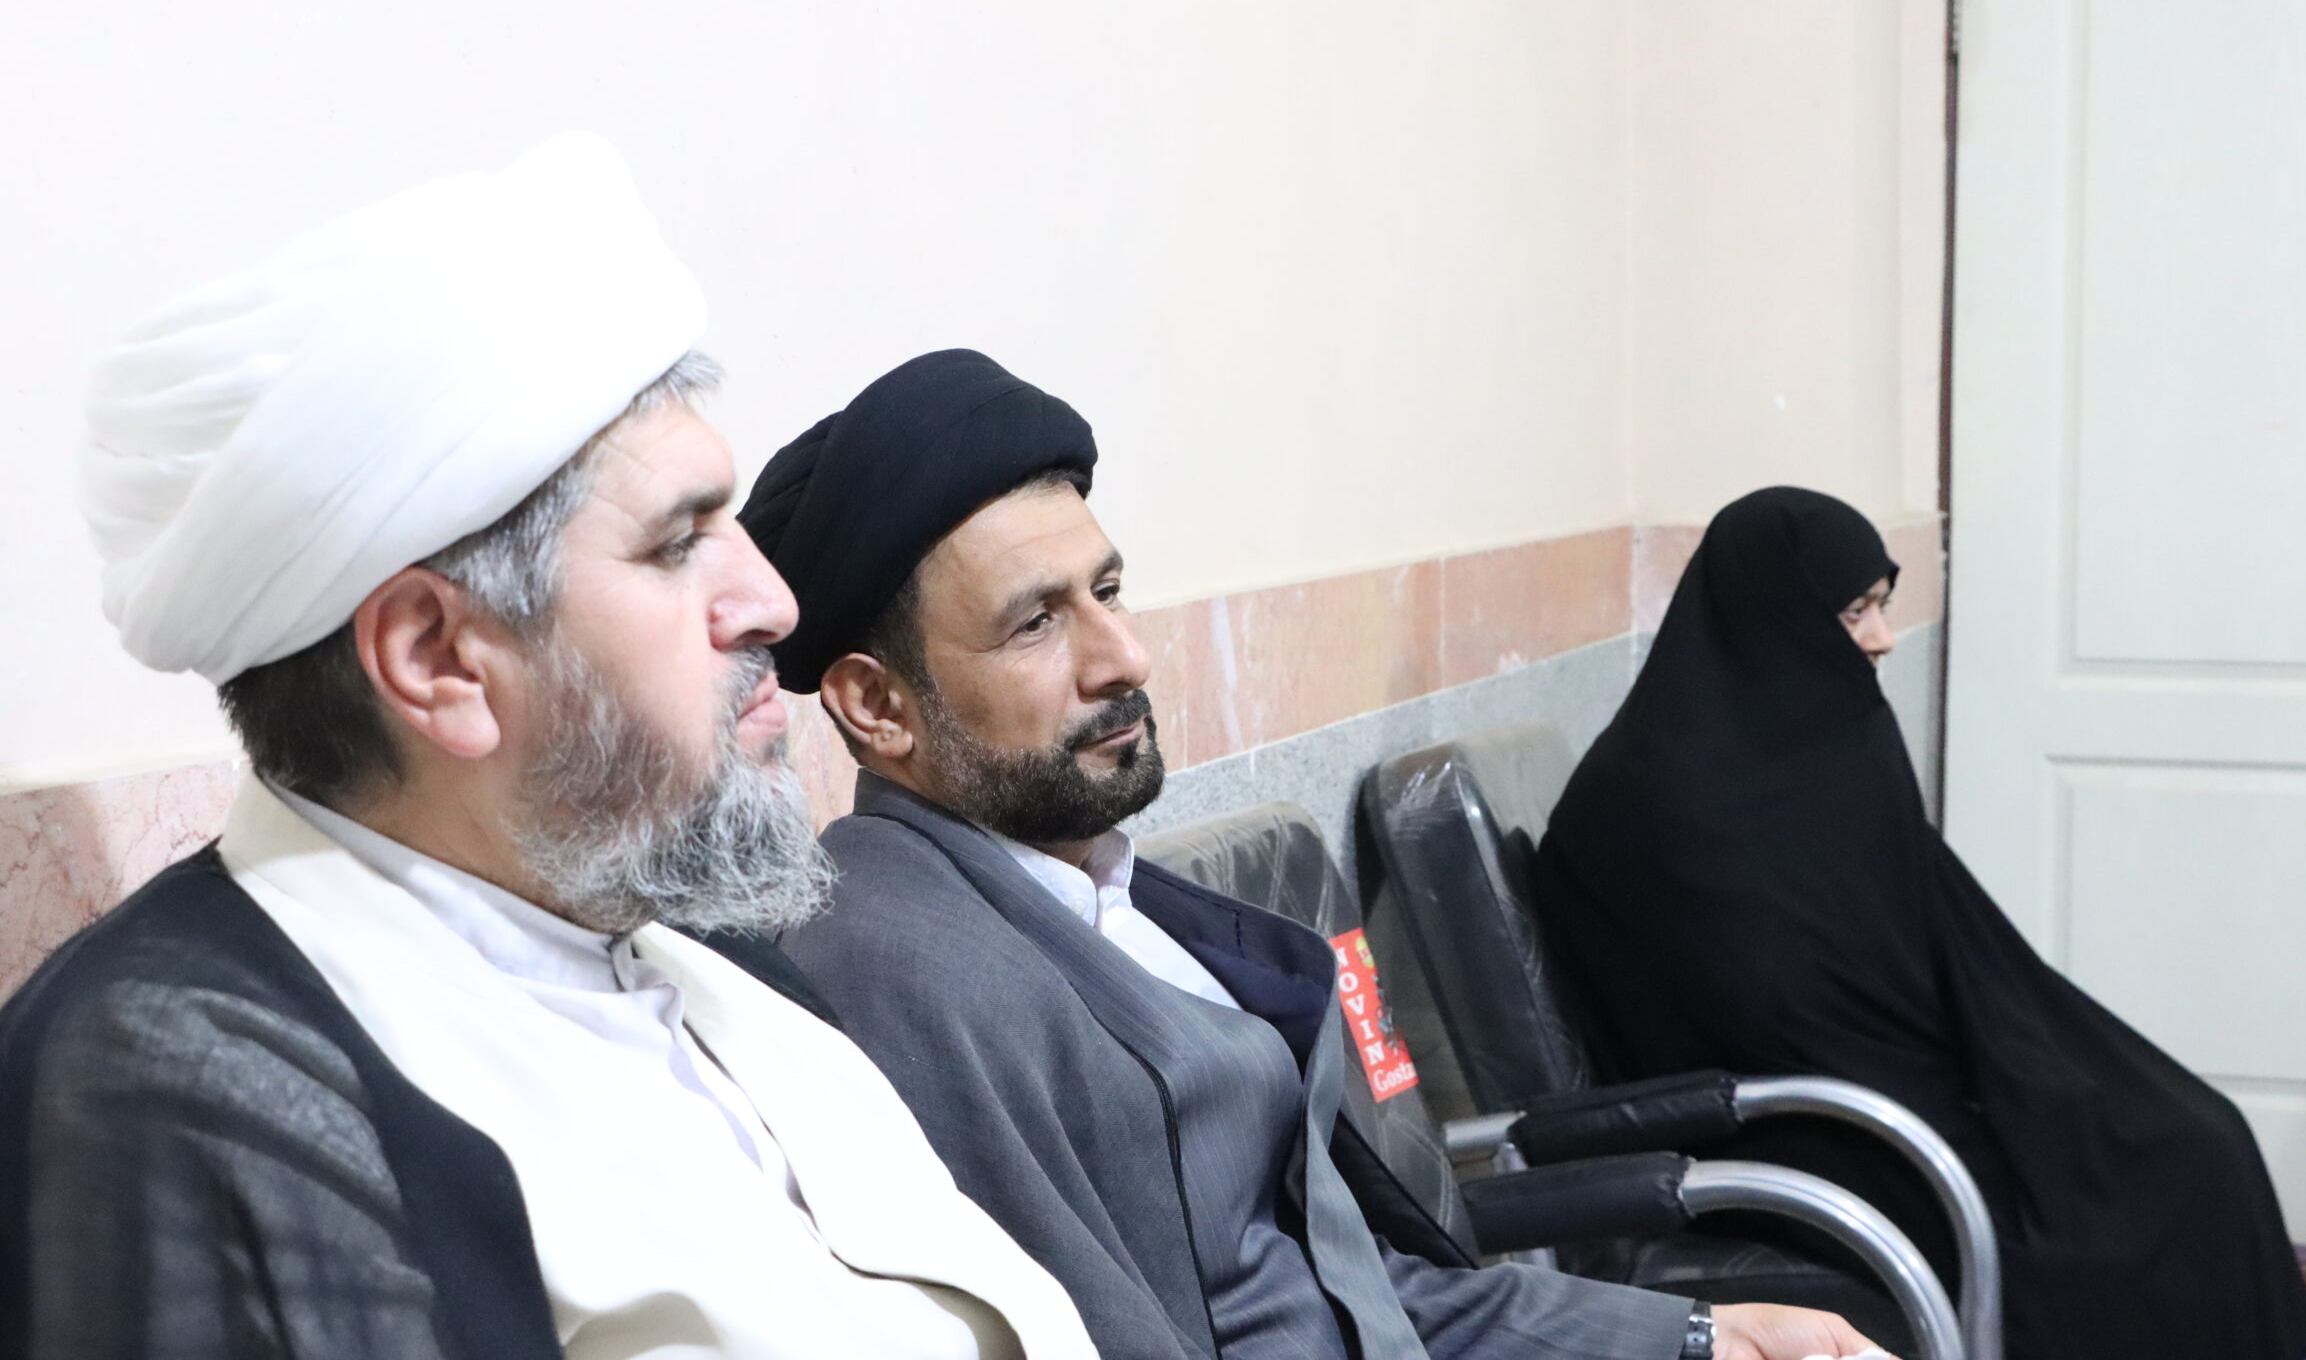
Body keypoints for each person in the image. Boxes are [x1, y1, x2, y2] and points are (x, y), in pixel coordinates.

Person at [0, 139, 1098, 1359]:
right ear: (438, 658)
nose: (772, 603)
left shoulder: (707, 957)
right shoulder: (195, 1090)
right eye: (676, 544)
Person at [738, 350, 1890, 1360]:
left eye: (1108, 590)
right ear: (876, 705)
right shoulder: (901, 974)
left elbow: (1357, 1296)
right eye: (1035, 621)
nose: (1123, 655)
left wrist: (1705, 1334)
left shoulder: (1122, 901)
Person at [1534, 485, 2306, 1360]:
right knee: (2111, 1220)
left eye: (1881, 605)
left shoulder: (1822, 735)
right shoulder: (1655, 798)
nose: (1881, 637)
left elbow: (1930, 938)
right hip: (1802, 1127)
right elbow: (1752, 1009)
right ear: (1771, 614)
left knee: (2196, 1136)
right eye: (1854, 611)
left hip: (1885, 1083)